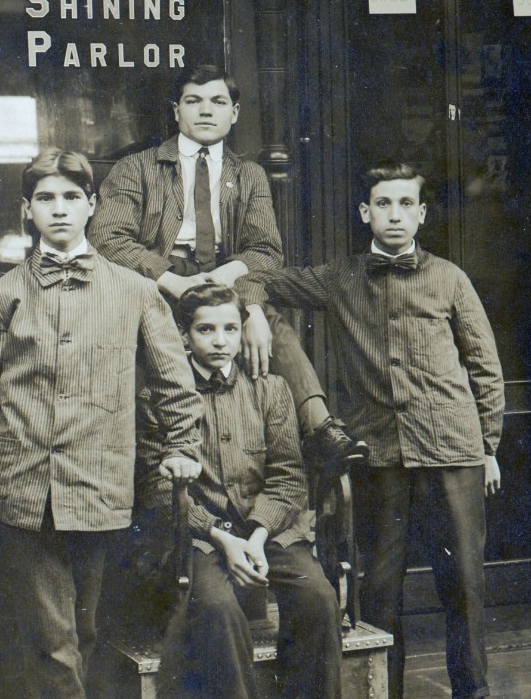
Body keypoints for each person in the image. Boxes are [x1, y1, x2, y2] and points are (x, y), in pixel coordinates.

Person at [0, 147, 203, 699]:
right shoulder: (2, 297)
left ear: (91, 205)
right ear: (27, 213)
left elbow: (177, 383)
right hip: (23, 488)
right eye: (45, 200)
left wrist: (182, 449)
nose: (58, 211)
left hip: (100, 486)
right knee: (54, 635)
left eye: (70, 198)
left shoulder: (135, 292)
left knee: (81, 632)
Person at [248, 163, 505, 699]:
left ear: (420, 213)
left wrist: (488, 445)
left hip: (451, 450)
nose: (394, 215)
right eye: (382, 204)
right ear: (365, 213)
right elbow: (264, 282)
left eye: (404, 204)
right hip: (381, 455)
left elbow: (486, 367)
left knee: (462, 582)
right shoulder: (340, 279)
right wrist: (251, 311)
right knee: (378, 586)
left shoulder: (449, 280)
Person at [143, 282, 372, 699]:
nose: (220, 341)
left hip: (267, 533)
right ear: (183, 335)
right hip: (196, 539)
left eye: (228, 328)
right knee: (218, 608)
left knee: (317, 596)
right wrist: (220, 536)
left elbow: (289, 478)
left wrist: (257, 536)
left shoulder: (269, 390)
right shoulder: (164, 398)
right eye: (205, 329)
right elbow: (157, 490)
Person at [89, 65, 365, 478]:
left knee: (269, 321)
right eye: (193, 101)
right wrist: (172, 279)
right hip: (158, 284)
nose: (205, 111)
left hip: (224, 280)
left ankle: (321, 428)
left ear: (234, 114)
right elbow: (108, 238)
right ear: (176, 111)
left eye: (218, 102)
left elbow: (265, 251)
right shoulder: (138, 168)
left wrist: (245, 300)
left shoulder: (249, 175)